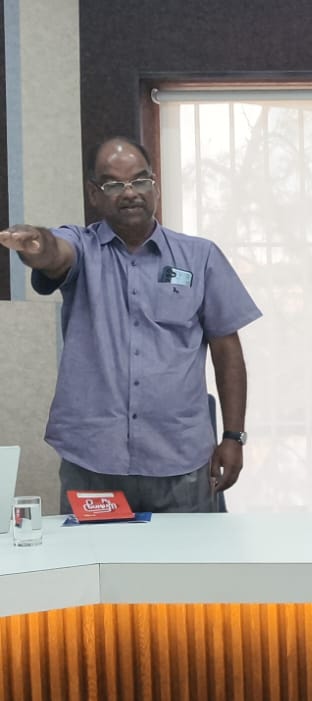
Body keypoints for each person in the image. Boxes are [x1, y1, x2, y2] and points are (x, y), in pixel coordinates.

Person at [0, 136, 261, 513]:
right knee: (93, 555)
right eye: (113, 184)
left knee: (190, 554)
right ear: (94, 193)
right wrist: (38, 243)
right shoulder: (83, 248)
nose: (129, 193)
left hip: (181, 462)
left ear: (155, 185)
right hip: (93, 463)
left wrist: (234, 436)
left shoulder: (200, 257)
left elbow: (227, 350)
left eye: (139, 180)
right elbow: (55, 252)